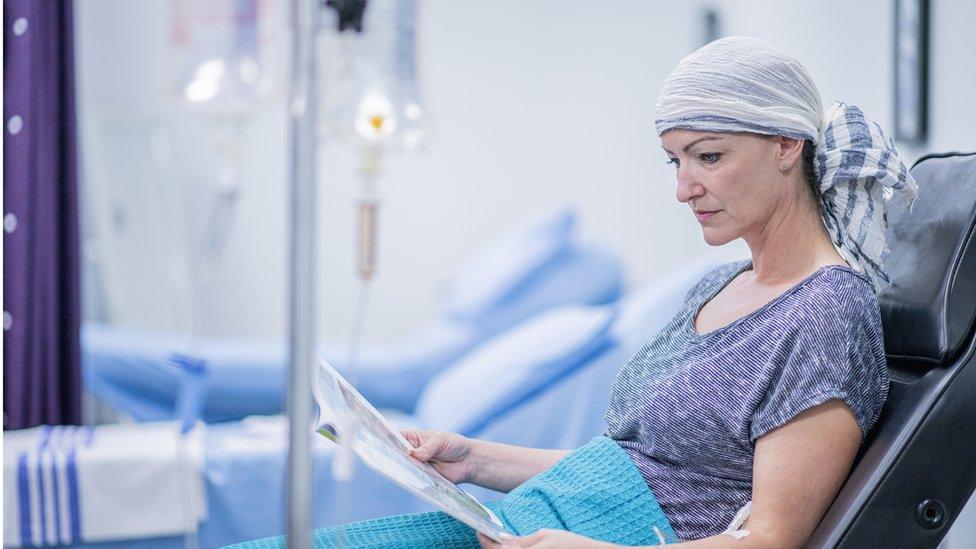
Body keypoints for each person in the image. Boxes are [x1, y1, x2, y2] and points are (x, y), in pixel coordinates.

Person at [234, 36, 917, 549]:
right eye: (674, 160)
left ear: (786, 146)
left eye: (707, 156)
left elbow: (771, 539)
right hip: (521, 525)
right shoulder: (720, 285)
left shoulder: (827, 310)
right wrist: (476, 458)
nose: (683, 187)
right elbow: (639, 463)